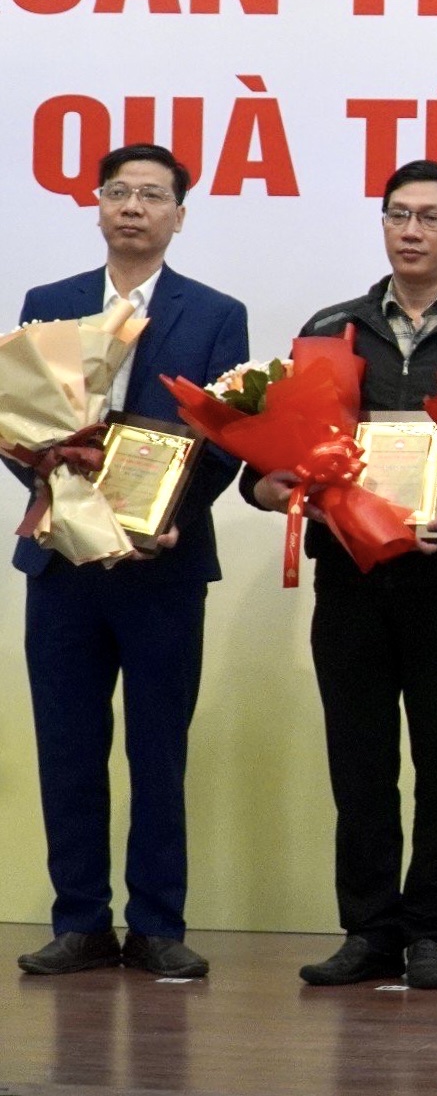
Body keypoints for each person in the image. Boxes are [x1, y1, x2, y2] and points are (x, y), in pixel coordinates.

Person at [245, 160, 437, 990]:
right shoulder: (330, 327)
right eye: (396, 215)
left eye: (429, 218)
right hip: (350, 581)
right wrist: (267, 489)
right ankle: (368, 929)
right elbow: (279, 455)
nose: (410, 231)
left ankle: (433, 933)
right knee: (361, 762)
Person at [11, 145, 248, 979]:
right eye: (120, 193)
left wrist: (172, 517)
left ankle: (155, 924)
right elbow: (20, 422)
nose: (134, 207)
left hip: (162, 570)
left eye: (153, 196)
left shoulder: (217, 313)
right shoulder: (51, 303)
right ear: (99, 206)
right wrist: (60, 494)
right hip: (64, 568)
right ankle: (79, 921)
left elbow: (228, 436)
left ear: (180, 214)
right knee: (68, 747)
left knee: (158, 751)